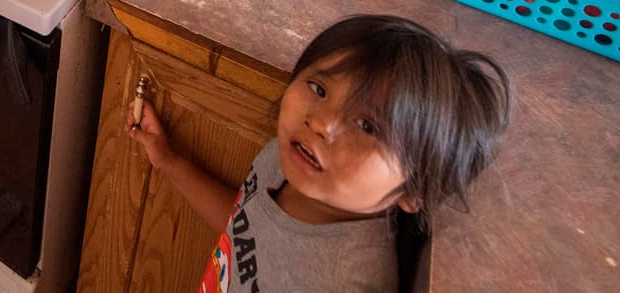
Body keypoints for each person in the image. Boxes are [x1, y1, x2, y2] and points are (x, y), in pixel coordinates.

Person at [127, 15, 511, 292]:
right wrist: (169, 161)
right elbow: (247, 228)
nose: (321, 123)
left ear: (414, 191)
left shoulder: (346, 279)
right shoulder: (285, 159)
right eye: (319, 89)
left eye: (368, 126)